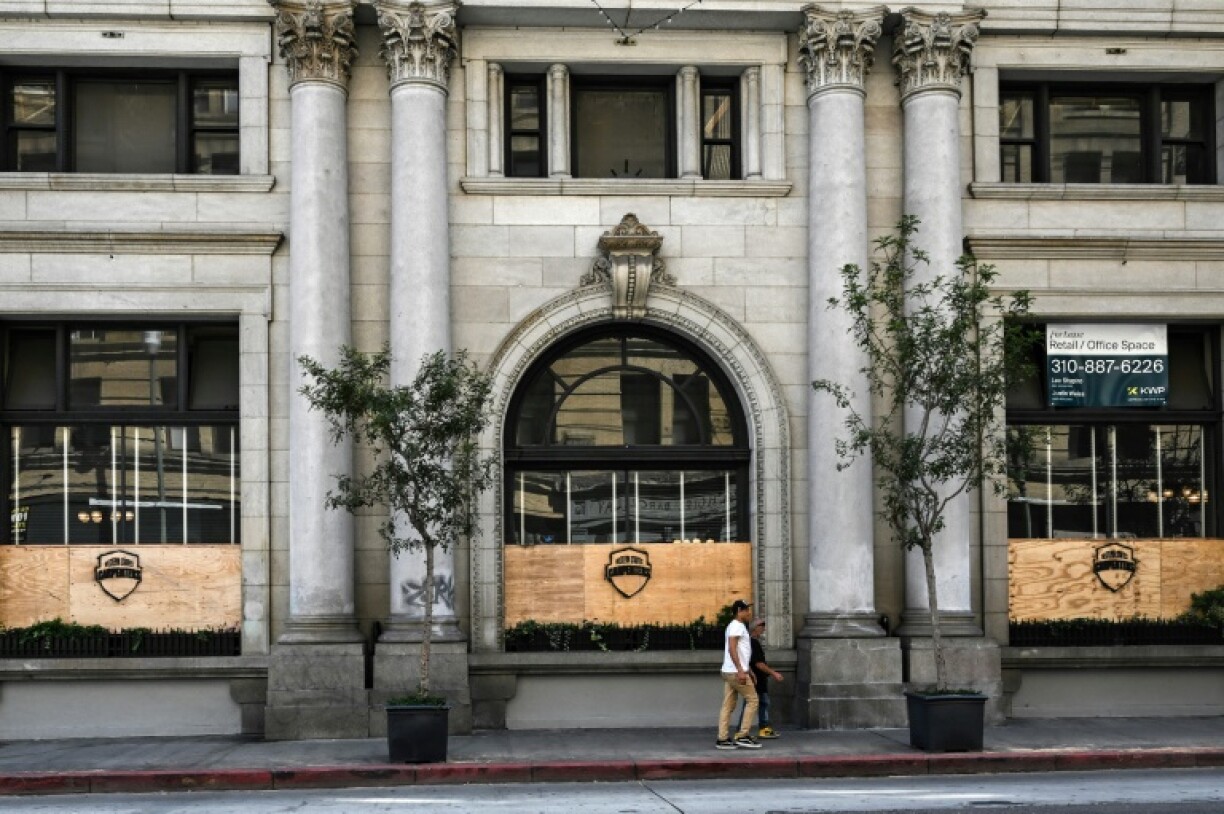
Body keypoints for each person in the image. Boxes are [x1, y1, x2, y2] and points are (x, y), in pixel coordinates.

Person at [715, 599, 762, 750]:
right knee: (753, 700)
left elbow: (741, 652)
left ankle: (722, 738)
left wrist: (749, 669)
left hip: (730, 671)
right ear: (739, 611)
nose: (749, 613)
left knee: (728, 705)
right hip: (736, 672)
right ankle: (743, 735)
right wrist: (741, 671)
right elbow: (732, 649)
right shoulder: (736, 626)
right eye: (746, 610)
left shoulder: (736, 626)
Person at [735, 618, 784, 738]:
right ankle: (747, 730)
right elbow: (758, 664)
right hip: (755, 679)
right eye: (762, 625)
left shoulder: (750, 642)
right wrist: (774, 673)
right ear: (755, 627)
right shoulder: (753, 643)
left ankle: (761, 728)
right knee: (755, 703)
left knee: (761, 703)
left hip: (757, 679)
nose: (764, 628)